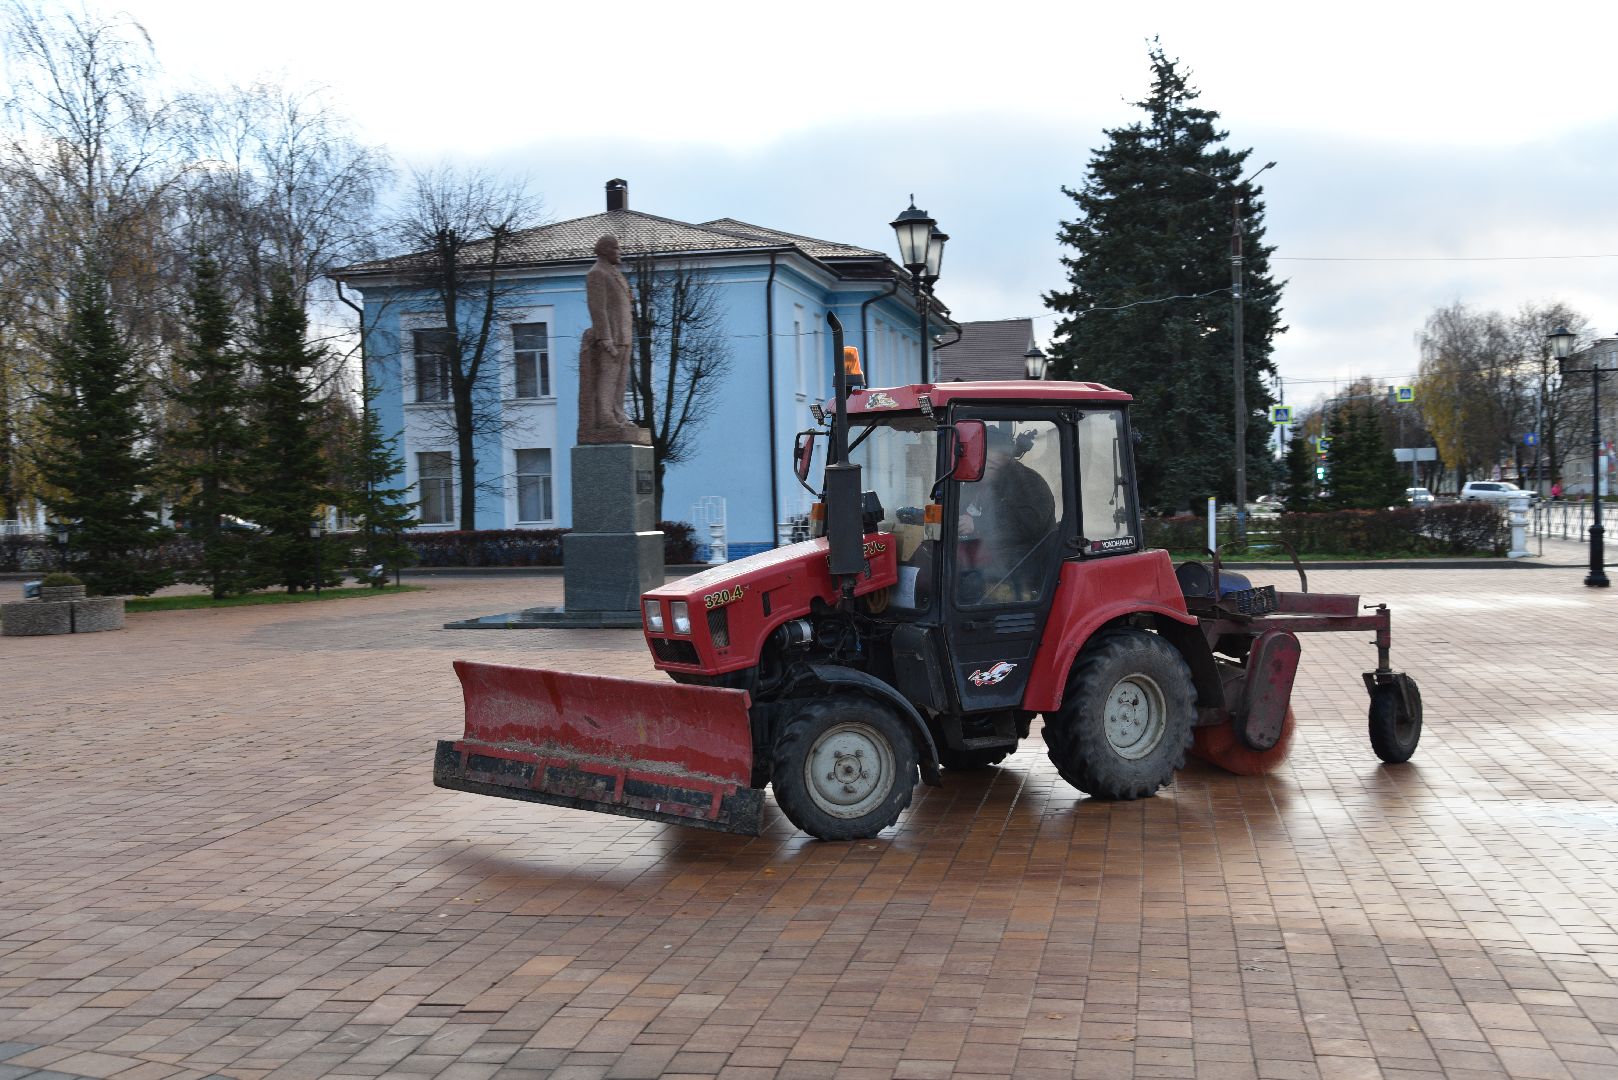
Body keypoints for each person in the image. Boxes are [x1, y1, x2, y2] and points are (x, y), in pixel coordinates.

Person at [958, 425, 1057, 602]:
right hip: (979, 563)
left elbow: (1029, 526)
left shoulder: (1029, 483)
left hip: (1020, 570)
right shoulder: (973, 483)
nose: (989, 460)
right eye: (985, 454)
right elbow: (958, 511)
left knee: (965, 589)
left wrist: (978, 525)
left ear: (1007, 455)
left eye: (995, 453)